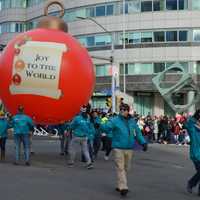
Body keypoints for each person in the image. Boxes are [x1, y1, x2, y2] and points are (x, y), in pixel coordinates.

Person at [102, 103, 148, 197]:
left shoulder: (132, 121)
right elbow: (106, 128)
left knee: (126, 168)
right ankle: (124, 187)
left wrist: (143, 143)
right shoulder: (115, 120)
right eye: (121, 109)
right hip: (118, 147)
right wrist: (101, 125)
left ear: (128, 111)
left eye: (124, 109)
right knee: (120, 167)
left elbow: (138, 133)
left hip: (129, 148)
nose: (122, 111)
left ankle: (120, 185)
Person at [185, 109, 200, 196]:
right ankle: (191, 183)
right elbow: (189, 124)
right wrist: (193, 117)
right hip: (196, 154)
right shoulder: (193, 129)